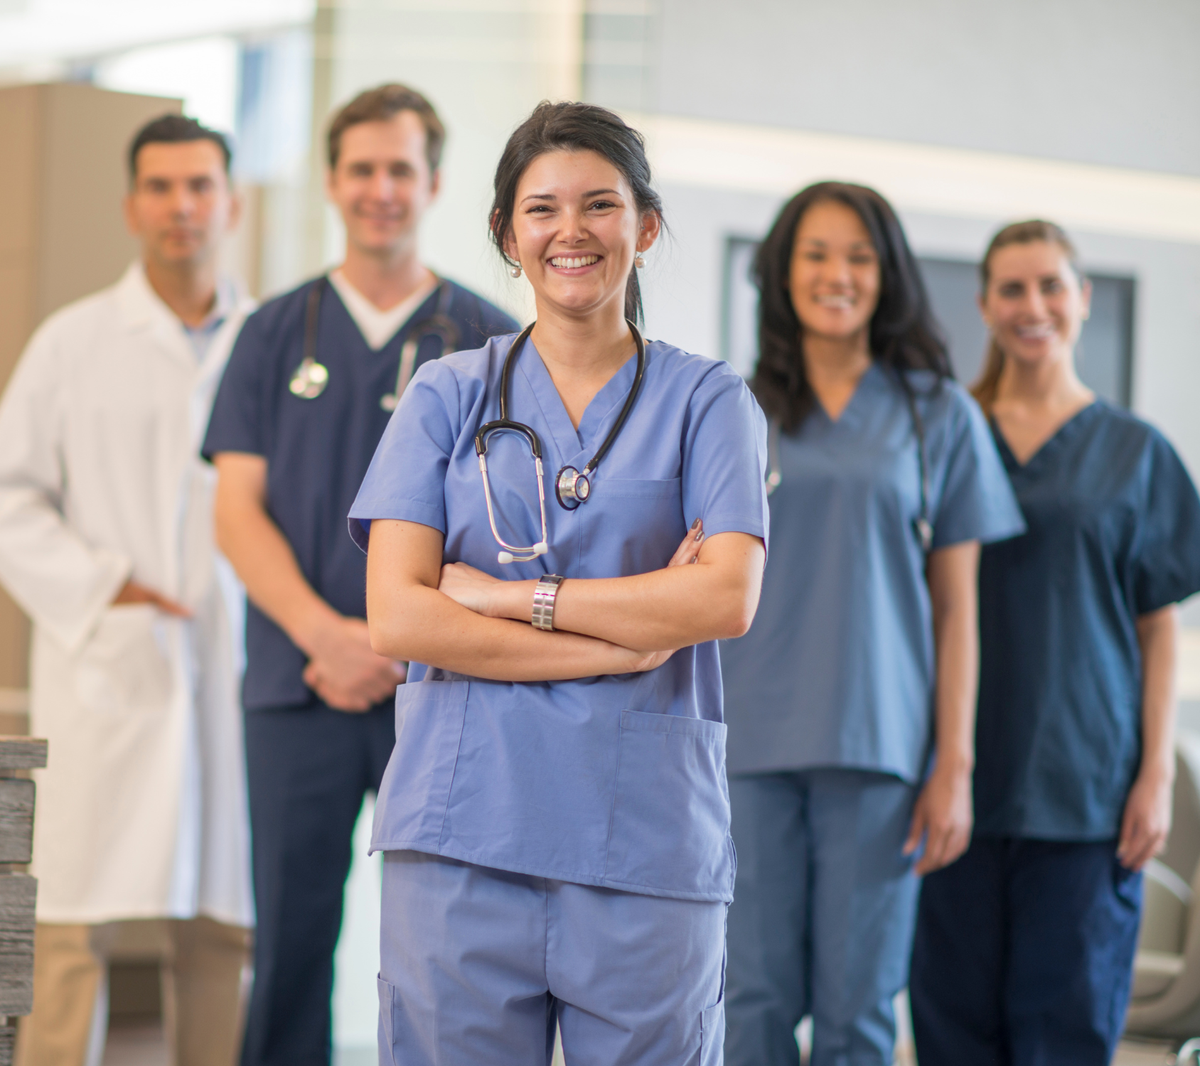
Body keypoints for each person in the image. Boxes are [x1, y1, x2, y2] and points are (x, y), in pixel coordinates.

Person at [349, 100, 768, 1066]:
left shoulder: (709, 401)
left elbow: (723, 600)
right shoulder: (446, 395)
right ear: (506, 234)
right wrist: (625, 637)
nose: (570, 232)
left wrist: (505, 597)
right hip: (463, 834)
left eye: (600, 205)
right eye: (541, 210)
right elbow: (398, 614)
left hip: (645, 844)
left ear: (646, 227)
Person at [202, 83, 516, 1066]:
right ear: (333, 182)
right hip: (299, 682)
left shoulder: (491, 341)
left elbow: (509, 530)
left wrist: (395, 636)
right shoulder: (272, 332)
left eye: (401, 170)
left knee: (450, 940)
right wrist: (327, 635)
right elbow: (235, 511)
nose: (382, 189)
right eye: (363, 169)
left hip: (437, 689)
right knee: (292, 936)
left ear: (434, 184)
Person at [717, 182, 1025, 1066]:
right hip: (748, 748)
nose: (837, 275)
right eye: (815, 254)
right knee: (753, 1005)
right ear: (781, 272)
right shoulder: (732, 411)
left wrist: (954, 768)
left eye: (858, 256)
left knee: (859, 1015)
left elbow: (960, 607)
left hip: (880, 750)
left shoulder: (939, 415)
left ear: (888, 275)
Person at [909, 220, 1200, 1065]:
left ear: (1082, 299)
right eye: (1012, 288)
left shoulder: (1136, 453)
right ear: (986, 305)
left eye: (1050, 286)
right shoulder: (947, 436)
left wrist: (1155, 776)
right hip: (952, 785)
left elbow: (1159, 630)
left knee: (1064, 1032)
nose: (1032, 305)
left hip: (1086, 792)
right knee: (953, 1029)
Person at [0, 114, 253, 1066]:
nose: (181, 206)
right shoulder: (72, 342)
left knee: (225, 921)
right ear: (130, 204)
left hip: (232, 662)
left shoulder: (268, 340)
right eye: (160, 187)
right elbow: (8, 496)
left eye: (199, 186)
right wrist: (107, 590)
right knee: (73, 919)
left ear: (230, 202)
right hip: (108, 664)